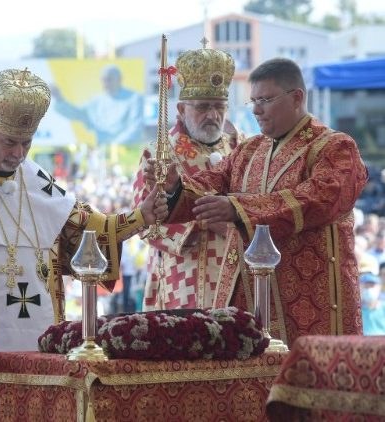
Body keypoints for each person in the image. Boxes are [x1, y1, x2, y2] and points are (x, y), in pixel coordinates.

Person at [0, 68, 167, 420]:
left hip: (39, 335)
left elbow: (90, 228)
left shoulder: (37, 182)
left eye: (27, 142)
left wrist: (139, 217)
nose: (18, 153)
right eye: (9, 141)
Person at [146, 57, 368, 346]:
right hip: (247, 295)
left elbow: (318, 199)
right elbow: (210, 183)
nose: (257, 110)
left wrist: (238, 209)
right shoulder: (249, 149)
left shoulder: (334, 147)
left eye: (265, 99)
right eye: (253, 101)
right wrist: (176, 187)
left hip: (310, 298)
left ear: (297, 97)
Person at [133, 45, 241, 311]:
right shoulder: (158, 152)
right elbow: (143, 219)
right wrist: (199, 226)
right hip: (181, 276)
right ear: (181, 109)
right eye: (203, 106)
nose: (212, 115)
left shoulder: (241, 149)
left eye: (219, 106)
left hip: (235, 276)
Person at [51, 64, 143, 146]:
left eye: (109, 79)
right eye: (103, 80)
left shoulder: (134, 98)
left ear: (119, 79)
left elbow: (135, 128)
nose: (106, 83)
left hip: (127, 147)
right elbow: (78, 114)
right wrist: (59, 98)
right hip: (102, 148)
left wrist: (114, 145)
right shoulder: (97, 100)